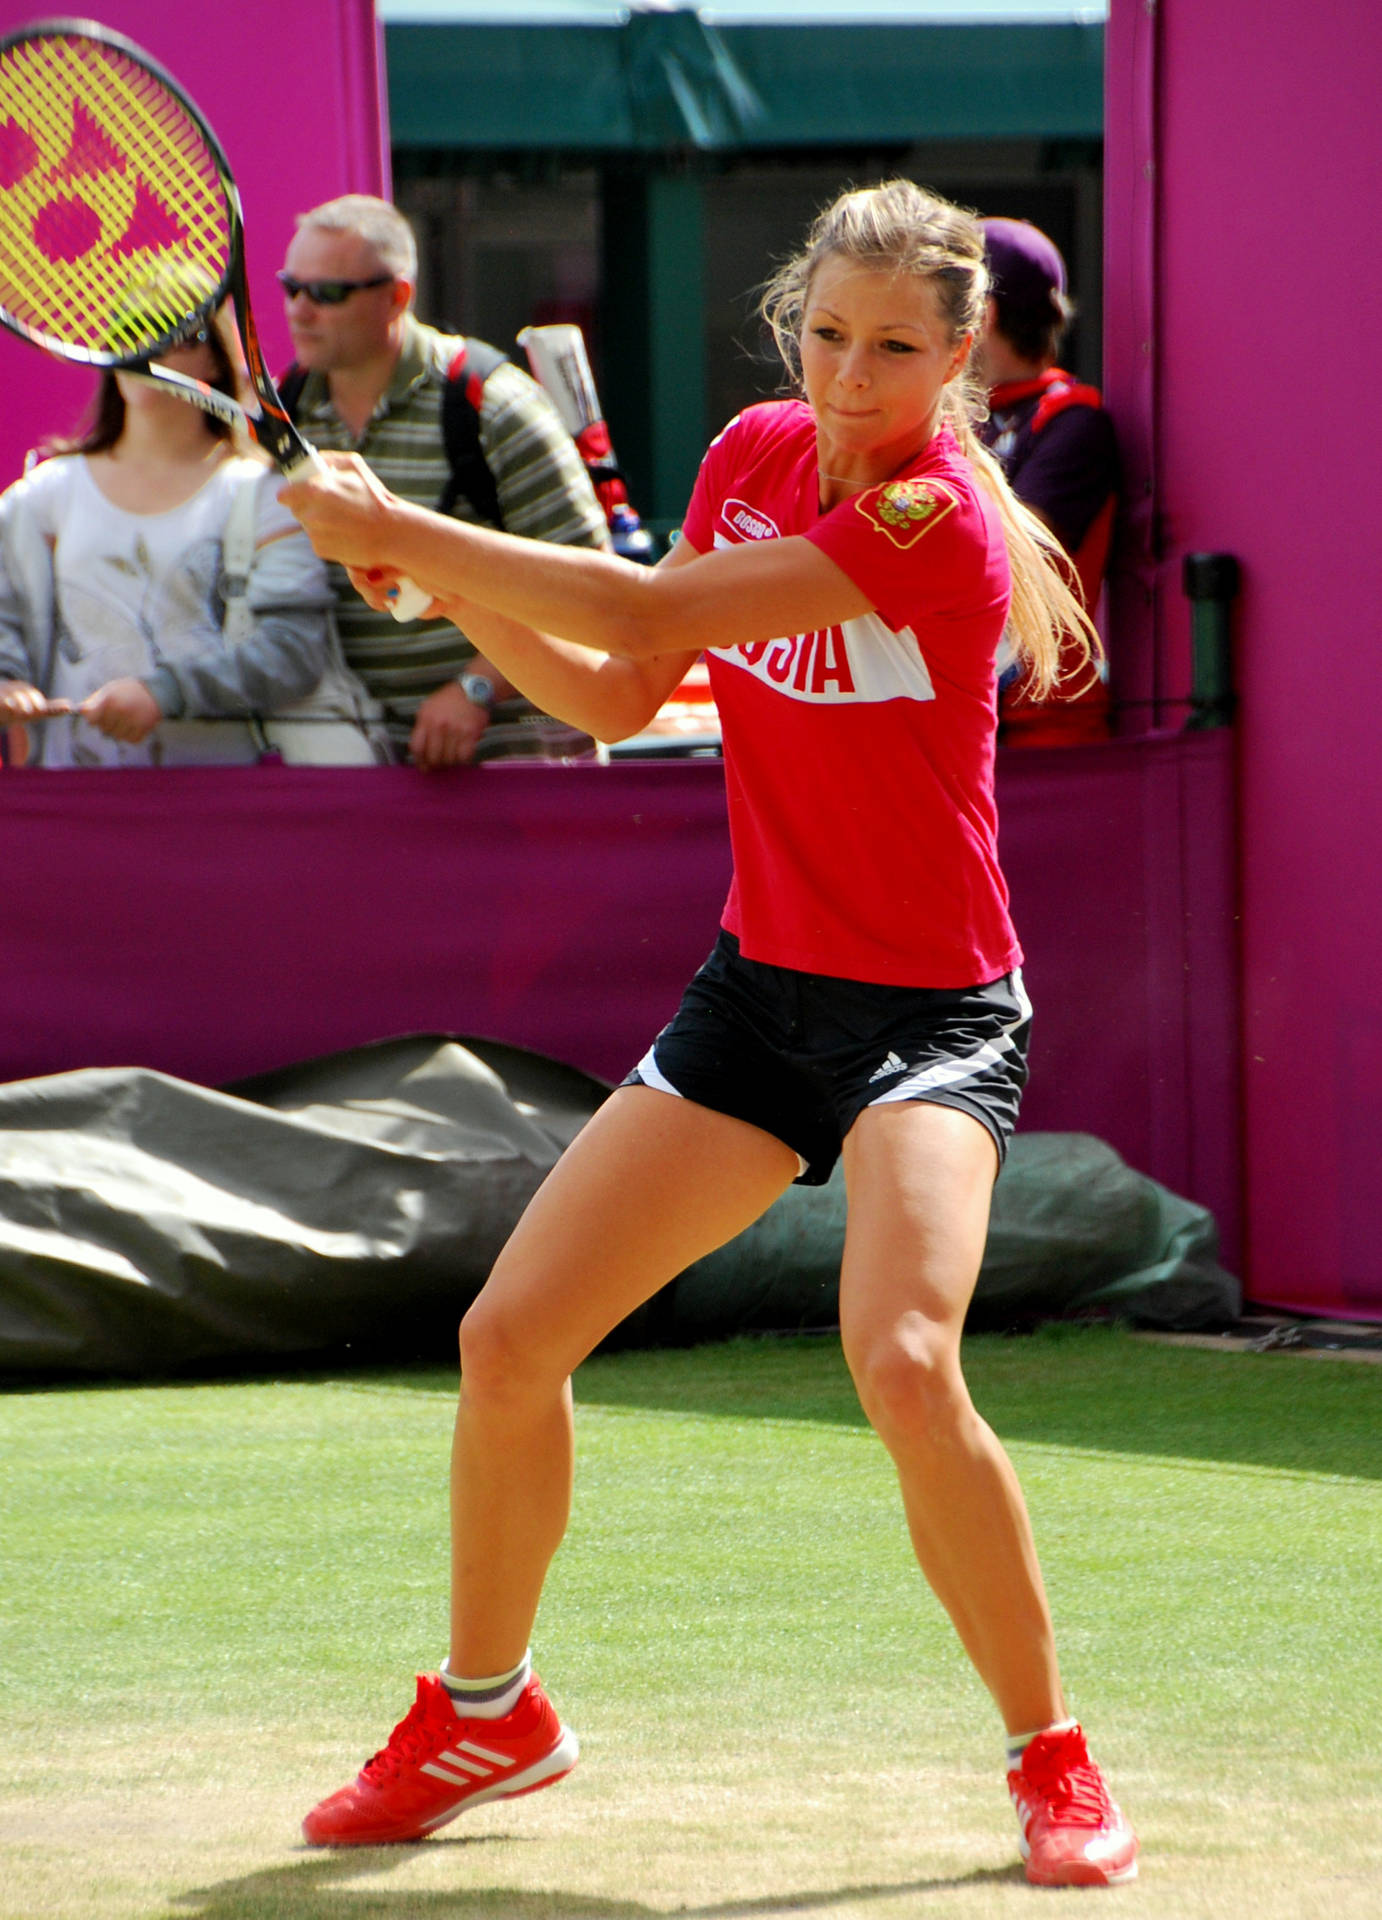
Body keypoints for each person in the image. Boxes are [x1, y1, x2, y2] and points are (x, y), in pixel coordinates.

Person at [282, 179, 1139, 1889]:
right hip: (759, 998)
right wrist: (437, 587)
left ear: (962, 355)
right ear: (788, 329)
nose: (850, 379)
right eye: (826, 337)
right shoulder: (753, 452)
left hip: (933, 1023)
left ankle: (1051, 1753)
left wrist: (414, 527)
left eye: (897, 349)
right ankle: (487, 1710)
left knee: (899, 1358)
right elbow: (613, 693)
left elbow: (654, 620)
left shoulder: (937, 522)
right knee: (506, 1343)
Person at [277, 194, 612, 767]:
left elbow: (591, 591)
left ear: (397, 297)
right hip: (368, 772)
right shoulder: (288, 411)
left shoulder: (493, 404)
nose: (299, 310)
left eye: (327, 293)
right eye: (291, 287)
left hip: (518, 764)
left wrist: (476, 688)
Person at [0, 310, 364, 768]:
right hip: (72, 805)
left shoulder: (265, 495)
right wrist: (5, 680)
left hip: (221, 808)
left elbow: (291, 650)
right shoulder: (43, 494)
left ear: (216, 362)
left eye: (177, 337)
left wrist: (163, 693)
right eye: (130, 332)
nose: (147, 349)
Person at [975, 217, 1120, 746]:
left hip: (1045, 739)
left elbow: (1009, 556)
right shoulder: (948, 419)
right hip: (954, 724)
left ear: (980, 315)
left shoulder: (1073, 421)